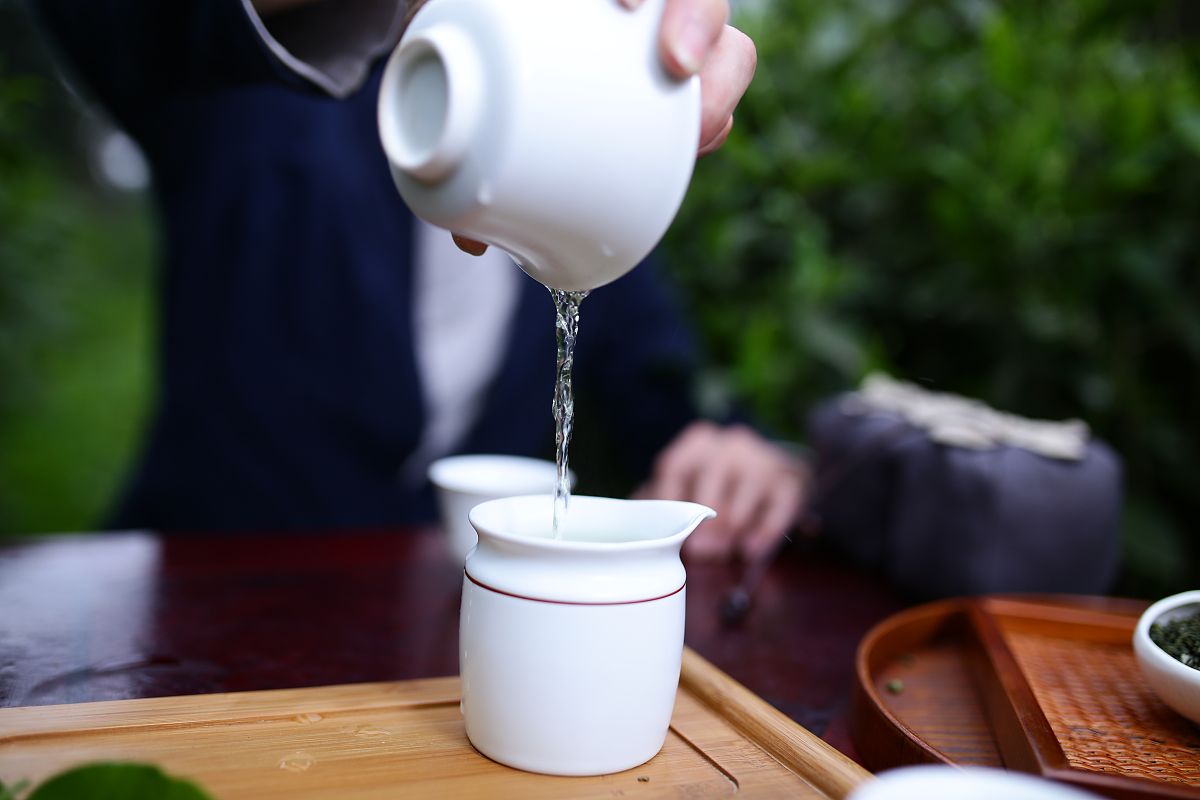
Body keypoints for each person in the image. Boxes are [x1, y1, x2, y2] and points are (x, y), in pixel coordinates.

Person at [32, 0, 805, 561]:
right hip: (208, 610)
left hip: (446, 644)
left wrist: (741, 456)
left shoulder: (585, 188)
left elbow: (662, 392)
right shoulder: (280, 80)